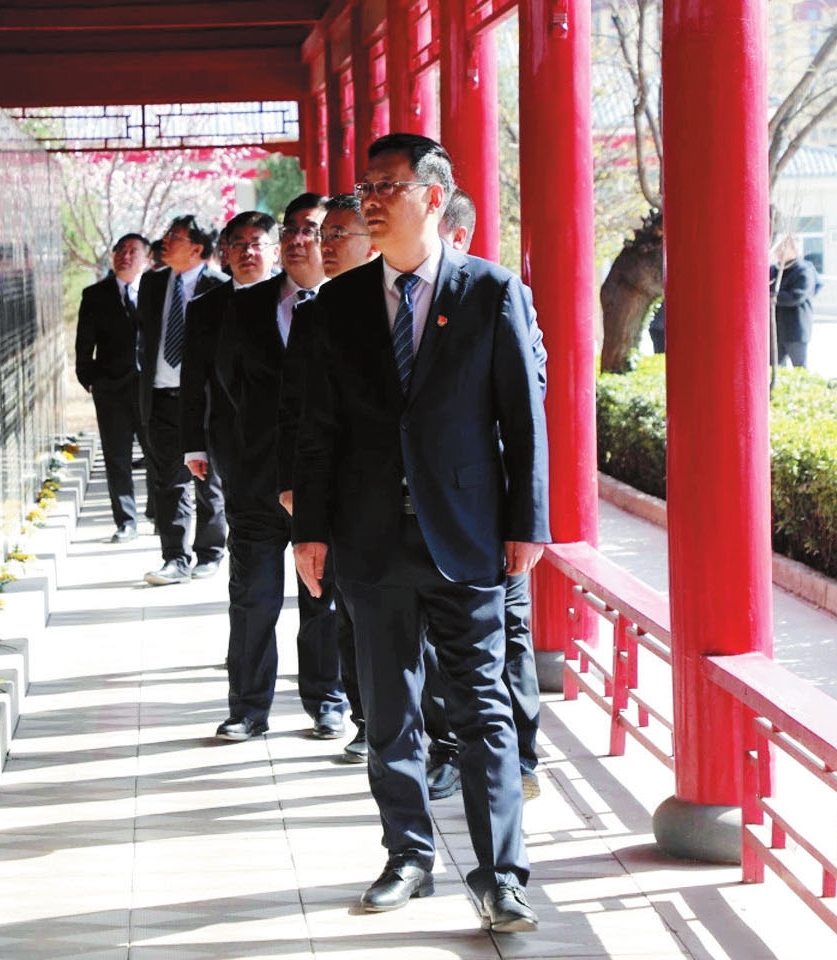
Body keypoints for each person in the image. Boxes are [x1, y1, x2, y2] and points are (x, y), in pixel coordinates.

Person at [292, 133, 549, 933]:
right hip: (369, 539)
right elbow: (316, 429)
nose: (368, 200)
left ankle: (500, 876)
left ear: (433, 197)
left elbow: (522, 417)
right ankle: (406, 855)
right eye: (364, 188)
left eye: (386, 187)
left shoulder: (490, 291)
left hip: (466, 536)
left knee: (482, 709)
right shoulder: (335, 304)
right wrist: (310, 533)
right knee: (388, 711)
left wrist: (527, 523)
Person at [187, 197, 346, 741]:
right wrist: (228, 455)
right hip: (255, 479)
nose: (300, 239)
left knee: (322, 599)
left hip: (323, 484)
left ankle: (327, 701)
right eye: (292, 229)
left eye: (312, 230)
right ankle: (249, 708)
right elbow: (225, 388)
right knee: (253, 598)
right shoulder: (246, 305)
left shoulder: (348, 303)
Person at [419, 189, 545, 808]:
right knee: (437, 645)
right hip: (425, 505)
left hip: (487, 507)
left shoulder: (497, 295)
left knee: (509, 637)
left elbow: (528, 399)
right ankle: (448, 750)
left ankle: (520, 757)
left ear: (457, 235)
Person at [276, 192, 379, 763]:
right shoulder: (314, 312)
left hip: (405, 496)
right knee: (344, 611)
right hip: (337, 494)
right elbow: (294, 411)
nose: (325, 245)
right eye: (324, 235)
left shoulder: (417, 304)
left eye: (339, 235)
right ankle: (362, 718)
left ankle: (430, 734)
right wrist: (294, 487)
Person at [137, 215, 229, 585]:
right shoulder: (152, 282)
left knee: (208, 480)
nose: (165, 240)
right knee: (167, 481)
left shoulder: (219, 286)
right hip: (160, 396)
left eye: (175, 236)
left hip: (205, 401)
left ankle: (210, 552)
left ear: (197, 248)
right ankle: (174, 557)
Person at [75, 234, 156, 542]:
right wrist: (90, 379)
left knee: (157, 454)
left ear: (147, 259)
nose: (125, 256)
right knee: (116, 457)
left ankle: (158, 513)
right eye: (121, 250)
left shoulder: (156, 290)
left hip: (150, 389)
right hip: (111, 390)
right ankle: (126, 521)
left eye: (133, 251)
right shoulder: (95, 294)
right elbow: (84, 344)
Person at [770, 235, 819, 368]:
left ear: (795, 250)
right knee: (775, 368)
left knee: (799, 368)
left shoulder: (804, 270)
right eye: (778, 248)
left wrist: (773, 297)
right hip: (777, 329)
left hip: (796, 329)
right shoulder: (774, 270)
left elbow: (797, 296)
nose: (779, 251)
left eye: (783, 248)